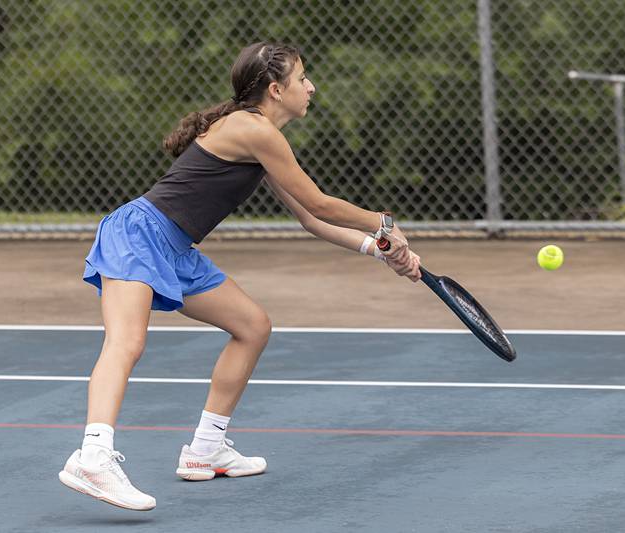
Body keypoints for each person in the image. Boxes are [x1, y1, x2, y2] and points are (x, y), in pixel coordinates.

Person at [58, 41, 421, 511]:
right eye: (302, 79)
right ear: (276, 89)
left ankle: (206, 448)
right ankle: (92, 457)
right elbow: (321, 204)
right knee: (126, 343)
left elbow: (309, 220)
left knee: (252, 326)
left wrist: (379, 249)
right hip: (139, 236)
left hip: (175, 249)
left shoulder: (261, 135)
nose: (311, 87)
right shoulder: (253, 130)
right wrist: (384, 224)